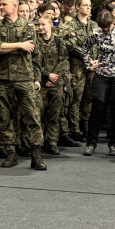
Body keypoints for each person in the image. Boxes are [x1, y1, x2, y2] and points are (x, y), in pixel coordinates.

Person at [0, 0, 46, 171]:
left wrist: (36, 78)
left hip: (24, 79)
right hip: (2, 80)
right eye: (1, 5)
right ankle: (11, 153)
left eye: (4, 5)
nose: (1, 8)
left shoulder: (28, 26)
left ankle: (36, 155)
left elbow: (32, 50)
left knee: (32, 117)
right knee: (4, 118)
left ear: (14, 6)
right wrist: (19, 46)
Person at [79, 9, 115, 156]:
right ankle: (91, 143)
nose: (105, 30)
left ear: (114, 22)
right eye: (103, 28)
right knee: (97, 108)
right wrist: (89, 63)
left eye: (108, 27)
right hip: (102, 74)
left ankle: (114, 144)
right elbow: (85, 47)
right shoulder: (96, 33)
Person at [62, 0, 96, 145]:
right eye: (85, 5)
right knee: (76, 98)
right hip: (78, 66)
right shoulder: (71, 25)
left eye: (90, 5)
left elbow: (100, 43)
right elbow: (72, 46)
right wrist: (88, 59)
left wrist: (97, 61)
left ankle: (87, 127)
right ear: (77, 7)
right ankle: (75, 129)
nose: (88, 8)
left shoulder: (94, 25)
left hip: (94, 66)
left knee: (89, 99)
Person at [34, 13, 66, 156]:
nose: (40, 27)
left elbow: (64, 61)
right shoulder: (35, 42)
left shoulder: (59, 42)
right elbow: (33, 63)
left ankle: (52, 141)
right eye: (39, 25)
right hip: (40, 83)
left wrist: (53, 77)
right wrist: (47, 75)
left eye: (43, 25)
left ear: (51, 26)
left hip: (55, 84)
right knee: (38, 114)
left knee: (54, 114)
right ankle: (38, 142)